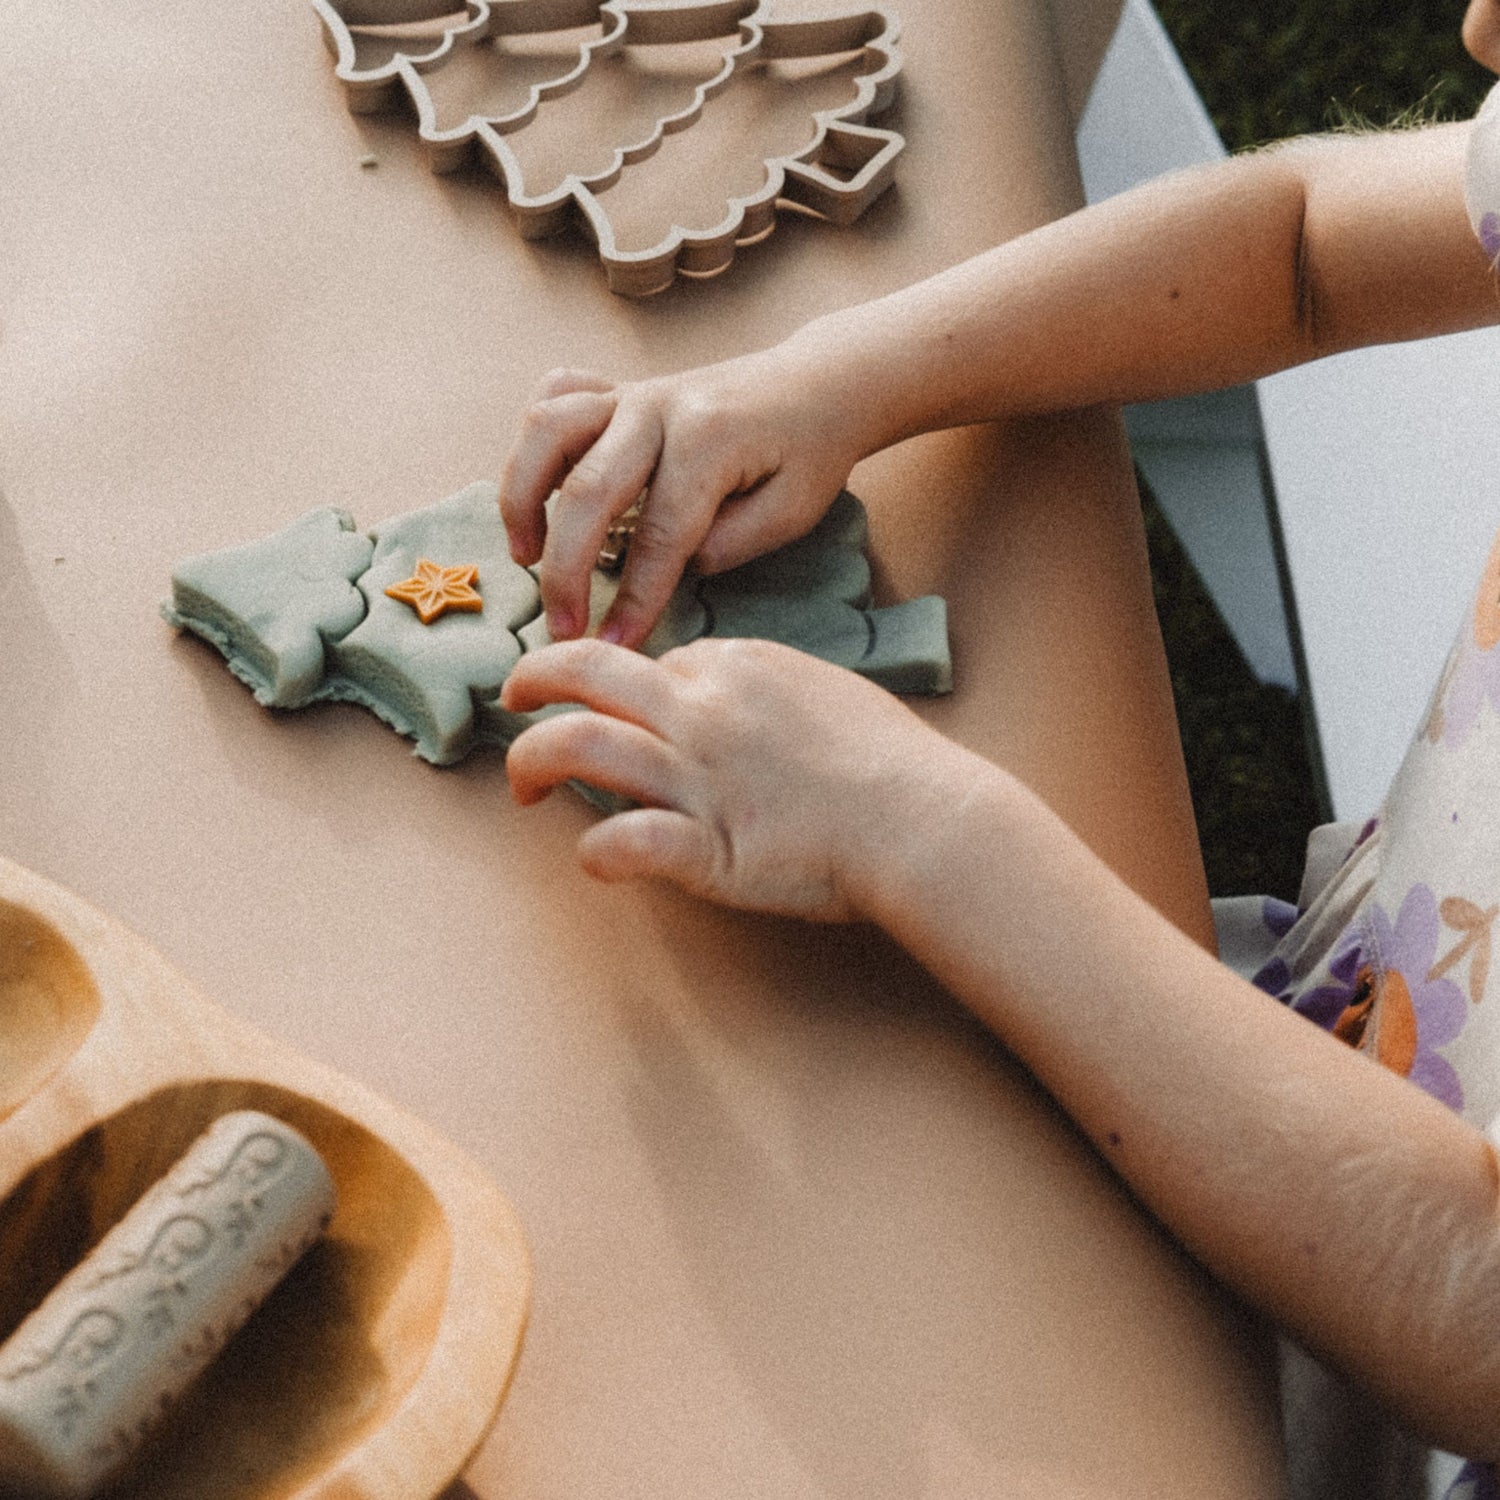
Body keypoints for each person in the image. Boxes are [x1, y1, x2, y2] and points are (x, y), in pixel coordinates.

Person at [496, 0, 1500, 1486]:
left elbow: (1470, 1293)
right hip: (1336, 1050)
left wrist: (920, 826)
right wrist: (840, 373)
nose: (1480, 31)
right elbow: (1300, 245)